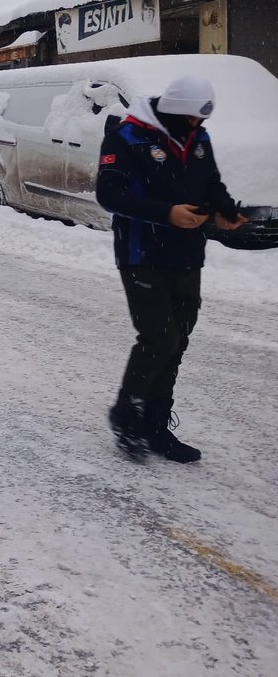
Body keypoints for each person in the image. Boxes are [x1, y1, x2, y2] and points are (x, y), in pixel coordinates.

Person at [96, 74, 248, 463]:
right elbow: (109, 194)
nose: (197, 127)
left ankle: (156, 426)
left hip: (186, 252)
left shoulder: (198, 138)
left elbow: (210, 181)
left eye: (201, 121)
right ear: (174, 112)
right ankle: (127, 416)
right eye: (192, 120)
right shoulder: (127, 137)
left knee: (177, 340)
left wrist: (224, 209)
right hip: (141, 252)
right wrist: (166, 213)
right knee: (158, 337)